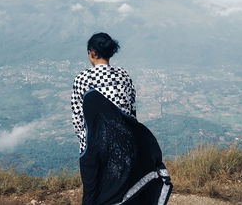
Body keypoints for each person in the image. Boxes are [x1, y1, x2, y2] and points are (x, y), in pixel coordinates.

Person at [70, 32, 172, 205]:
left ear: (92, 53)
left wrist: (86, 148)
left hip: (95, 147)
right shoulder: (123, 76)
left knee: (92, 194)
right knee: (123, 193)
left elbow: (78, 120)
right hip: (124, 146)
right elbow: (131, 112)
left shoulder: (82, 79)